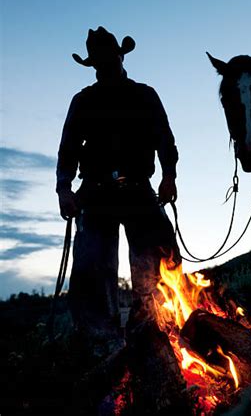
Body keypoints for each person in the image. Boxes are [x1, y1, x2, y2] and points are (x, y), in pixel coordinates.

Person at [56, 26, 179, 358]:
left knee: (156, 262)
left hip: (139, 189)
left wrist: (169, 176)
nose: (105, 65)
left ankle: (153, 334)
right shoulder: (83, 101)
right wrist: (64, 188)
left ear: (121, 57)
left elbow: (165, 140)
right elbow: (68, 148)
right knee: (92, 269)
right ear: (94, 64)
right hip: (95, 194)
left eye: (108, 58)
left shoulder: (144, 95)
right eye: (100, 60)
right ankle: (103, 346)